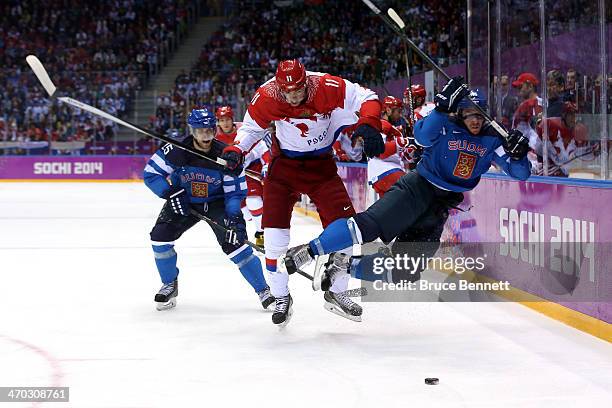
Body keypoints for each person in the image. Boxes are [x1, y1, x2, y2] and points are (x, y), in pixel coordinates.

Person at [282, 78, 531, 308]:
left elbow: (520, 173)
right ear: (459, 112)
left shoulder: (492, 139)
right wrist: (442, 110)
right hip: (417, 188)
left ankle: (344, 266)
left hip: (441, 205)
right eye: (469, 114)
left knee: (405, 271)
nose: (475, 121)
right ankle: (308, 251)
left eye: (480, 115)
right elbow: (422, 137)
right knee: (367, 227)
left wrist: (519, 155)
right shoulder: (444, 123)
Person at [220, 59, 385, 326]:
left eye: (298, 89)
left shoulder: (325, 85)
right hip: (283, 170)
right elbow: (251, 129)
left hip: (322, 169)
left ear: (305, 81)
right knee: (273, 240)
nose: (294, 96)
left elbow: (368, 97)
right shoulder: (267, 94)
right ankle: (281, 296)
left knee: (345, 233)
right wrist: (236, 150)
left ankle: (337, 292)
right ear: (279, 87)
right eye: (288, 92)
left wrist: (370, 123)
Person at [144, 108, 274, 311]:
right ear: (192, 130)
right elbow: (151, 173)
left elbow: (234, 193)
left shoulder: (226, 155)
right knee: (159, 237)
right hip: (184, 199)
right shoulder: (176, 150)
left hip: (217, 202)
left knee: (236, 246)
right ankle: (169, 284)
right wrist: (170, 193)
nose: (205, 134)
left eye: (209, 129)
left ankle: (264, 290)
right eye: (200, 130)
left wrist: (234, 219)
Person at [215, 105, 268, 247]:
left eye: (227, 119)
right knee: (243, 211)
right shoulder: (214, 137)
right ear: (218, 122)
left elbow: (263, 149)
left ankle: (261, 234)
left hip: (251, 169)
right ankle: (256, 221)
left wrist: (266, 165)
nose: (225, 123)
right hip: (232, 174)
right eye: (222, 120)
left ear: (232, 119)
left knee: (254, 201)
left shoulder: (244, 130)